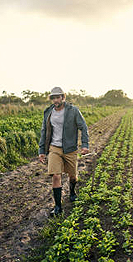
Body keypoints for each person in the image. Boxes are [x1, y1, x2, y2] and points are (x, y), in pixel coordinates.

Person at [38, 87, 89, 216]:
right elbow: (44, 131)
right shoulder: (48, 112)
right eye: (53, 98)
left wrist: (84, 145)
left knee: (72, 176)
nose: (55, 100)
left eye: (57, 97)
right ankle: (58, 207)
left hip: (70, 149)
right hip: (54, 148)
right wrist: (42, 150)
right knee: (56, 175)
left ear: (63, 97)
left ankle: (72, 192)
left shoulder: (73, 111)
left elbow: (83, 127)